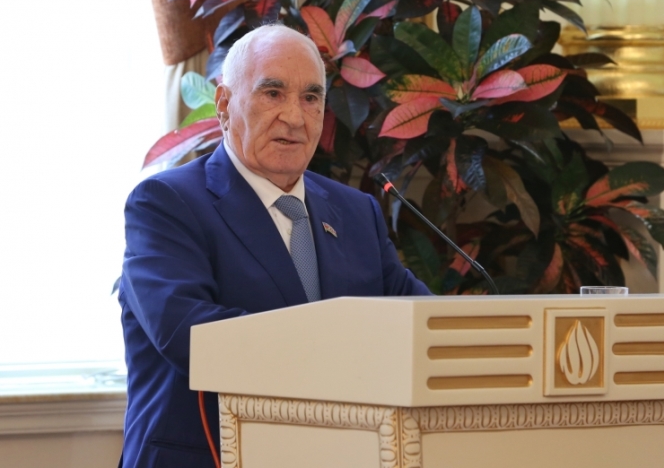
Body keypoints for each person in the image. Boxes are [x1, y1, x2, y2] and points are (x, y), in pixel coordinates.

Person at [117, 24, 431, 468]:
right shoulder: (167, 203)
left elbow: (423, 325)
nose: (295, 117)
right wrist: (345, 350)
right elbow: (190, 336)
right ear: (224, 105)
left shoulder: (355, 211)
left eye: (311, 97)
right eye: (272, 93)